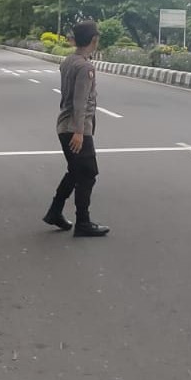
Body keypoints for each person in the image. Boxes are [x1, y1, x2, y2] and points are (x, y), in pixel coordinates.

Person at [43, 21, 110, 237]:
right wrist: (80, 132)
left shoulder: (69, 61)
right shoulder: (85, 67)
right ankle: (83, 222)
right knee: (88, 173)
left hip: (64, 125)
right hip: (76, 128)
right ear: (93, 40)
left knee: (76, 171)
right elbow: (80, 102)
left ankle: (55, 211)